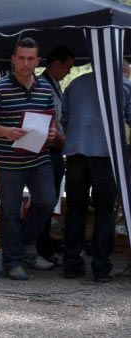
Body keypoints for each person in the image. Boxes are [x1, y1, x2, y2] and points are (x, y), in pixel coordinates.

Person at [0, 37, 58, 281]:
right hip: (9, 161)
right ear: (13, 59)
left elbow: (50, 121)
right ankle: (13, 262)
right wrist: (5, 132)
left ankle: (21, 246)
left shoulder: (45, 88)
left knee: (47, 202)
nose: (25, 63)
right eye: (21, 58)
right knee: (10, 211)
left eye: (30, 58)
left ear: (38, 60)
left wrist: (52, 133)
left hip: (38, 157)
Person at [61, 69, 131, 283]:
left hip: (76, 152)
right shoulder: (125, 85)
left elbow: (64, 119)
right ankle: (101, 268)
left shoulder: (75, 84)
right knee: (105, 211)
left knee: (75, 210)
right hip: (106, 154)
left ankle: (71, 265)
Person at [31, 46, 75, 270]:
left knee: (51, 200)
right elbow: (41, 125)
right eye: (67, 66)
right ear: (55, 64)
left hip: (57, 151)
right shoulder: (41, 86)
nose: (68, 71)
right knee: (44, 201)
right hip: (46, 151)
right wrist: (61, 139)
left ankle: (45, 248)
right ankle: (34, 249)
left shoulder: (55, 85)